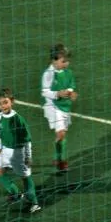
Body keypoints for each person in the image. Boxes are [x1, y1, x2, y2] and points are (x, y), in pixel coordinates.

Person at [0, 88, 41, 213]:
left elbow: (27, 139)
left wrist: (28, 156)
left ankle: (34, 202)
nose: (2, 106)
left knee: (25, 177)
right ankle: (15, 193)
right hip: (5, 151)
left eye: (5, 102)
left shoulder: (18, 120)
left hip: (18, 153)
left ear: (12, 102)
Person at [41, 44, 78, 173]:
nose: (66, 63)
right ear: (54, 60)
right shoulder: (49, 74)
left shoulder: (68, 73)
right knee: (61, 133)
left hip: (65, 107)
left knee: (62, 135)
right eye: (63, 61)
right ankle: (62, 161)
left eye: (67, 61)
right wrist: (57, 94)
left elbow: (71, 85)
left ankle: (57, 157)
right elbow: (44, 91)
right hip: (53, 106)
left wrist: (71, 93)